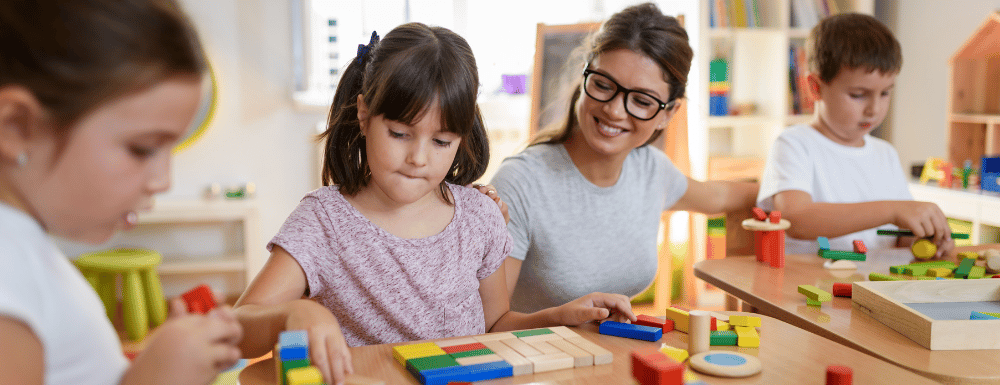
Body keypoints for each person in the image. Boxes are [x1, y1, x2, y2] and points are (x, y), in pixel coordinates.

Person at [233, 23, 636, 385]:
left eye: (441, 142)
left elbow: (496, 325)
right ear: (363, 114)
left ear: (462, 138)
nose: (418, 159)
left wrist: (559, 316)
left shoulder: (480, 216)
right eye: (399, 133)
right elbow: (239, 329)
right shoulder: (323, 221)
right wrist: (293, 315)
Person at [0, 1, 244, 384]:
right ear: (16, 127)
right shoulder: (9, 275)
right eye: (143, 149)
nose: (163, 180)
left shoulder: (22, 252)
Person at [490, 3, 759, 313]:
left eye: (642, 101)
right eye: (603, 85)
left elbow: (723, 195)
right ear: (584, 76)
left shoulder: (651, 171)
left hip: (617, 354)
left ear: (667, 113)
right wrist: (562, 317)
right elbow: (492, 325)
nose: (614, 111)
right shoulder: (521, 182)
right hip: (539, 358)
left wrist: (794, 197)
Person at [756, 13, 954, 257]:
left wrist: (924, 237)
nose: (874, 109)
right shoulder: (794, 144)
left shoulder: (885, 154)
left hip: (872, 285)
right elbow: (795, 219)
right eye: (859, 94)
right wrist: (892, 210)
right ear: (815, 87)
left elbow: (899, 236)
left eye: (885, 93)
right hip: (810, 286)